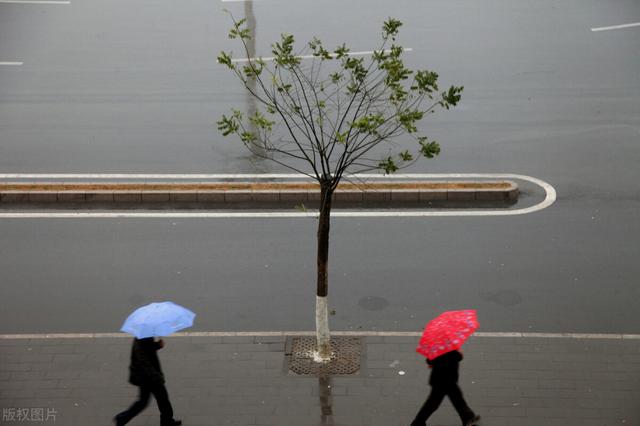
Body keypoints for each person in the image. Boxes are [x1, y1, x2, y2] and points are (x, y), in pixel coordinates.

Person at [114, 337, 182, 426]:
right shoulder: (142, 338)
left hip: (146, 376)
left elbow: (148, 349)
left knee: (144, 402)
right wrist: (156, 376)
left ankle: (122, 418)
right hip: (148, 377)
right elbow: (143, 360)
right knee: (162, 398)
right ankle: (167, 421)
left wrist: (158, 345)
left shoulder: (143, 336)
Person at [410, 350, 480, 426]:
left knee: (455, 400)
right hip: (446, 381)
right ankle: (418, 422)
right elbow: (458, 357)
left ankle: (468, 417)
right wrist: (459, 353)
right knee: (435, 403)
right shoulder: (451, 350)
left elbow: (429, 361)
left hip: (439, 379)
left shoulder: (436, 349)